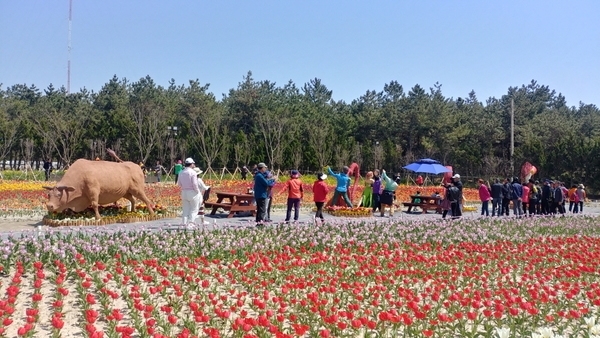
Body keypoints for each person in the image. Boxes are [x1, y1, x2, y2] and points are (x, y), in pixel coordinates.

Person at [177, 158, 200, 226]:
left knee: (185, 209)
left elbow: (179, 184)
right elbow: (195, 184)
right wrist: (197, 191)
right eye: (193, 164)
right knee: (194, 209)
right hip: (192, 192)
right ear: (191, 164)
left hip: (184, 192)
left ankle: (184, 223)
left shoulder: (181, 172)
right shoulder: (193, 172)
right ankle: (191, 223)